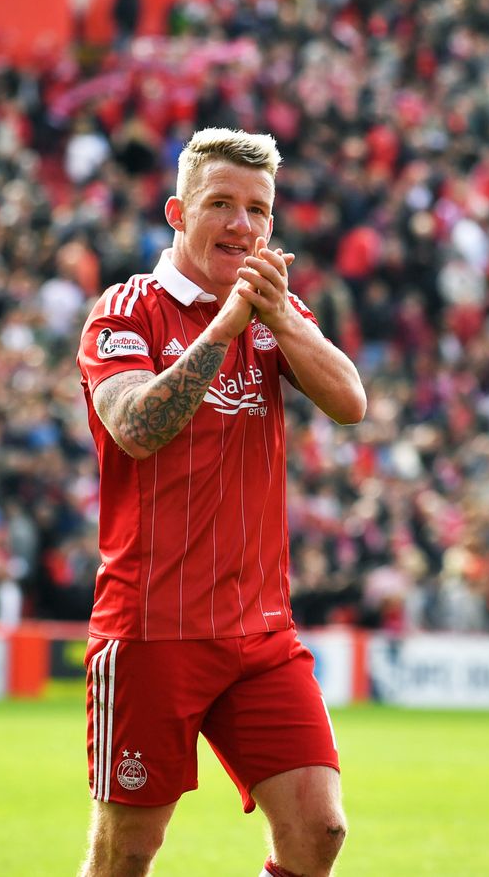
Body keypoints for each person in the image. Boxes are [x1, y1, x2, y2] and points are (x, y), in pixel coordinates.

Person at [75, 128, 366, 877]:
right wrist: (227, 324)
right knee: (127, 853)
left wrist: (280, 318)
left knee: (318, 830)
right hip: (153, 629)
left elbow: (349, 402)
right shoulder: (126, 311)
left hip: (260, 630)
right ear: (178, 212)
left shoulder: (276, 311)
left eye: (259, 210)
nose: (242, 225)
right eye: (221, 205)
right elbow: (137, 427)